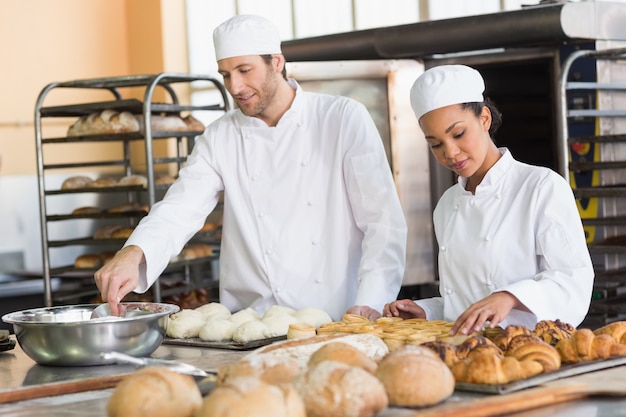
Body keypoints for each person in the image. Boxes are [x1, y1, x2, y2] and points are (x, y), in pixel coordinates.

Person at [94, 14, 407, 321]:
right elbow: (179, 209)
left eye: (245, 70)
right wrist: (134, 252)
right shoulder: (220, 136)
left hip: (336, 319)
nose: (235, 86)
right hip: (250, 325)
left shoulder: (340, 118)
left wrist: (372, 303)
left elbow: (382, 221)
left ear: (277, 62)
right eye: (225, 74)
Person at [383, 64, 594, 335]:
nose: (450, 152)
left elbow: (573, 281)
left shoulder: (540, 187)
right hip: (466, 353)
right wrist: (426, 311)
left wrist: (509, 297)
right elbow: (461, 301)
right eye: (435, 143)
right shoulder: (447, 206)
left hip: (525, 352)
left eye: (458, 134)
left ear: (484, 119)